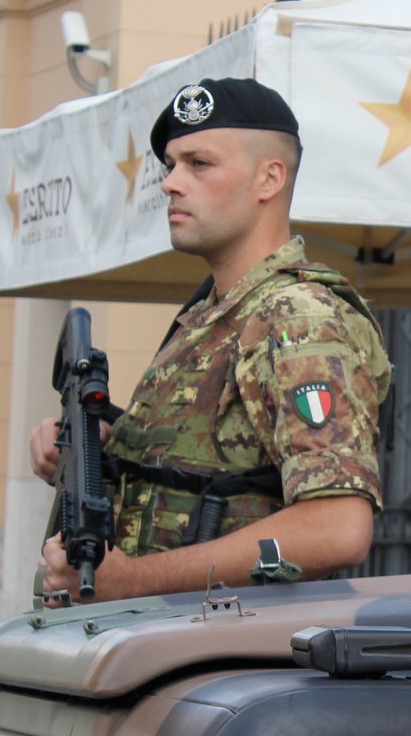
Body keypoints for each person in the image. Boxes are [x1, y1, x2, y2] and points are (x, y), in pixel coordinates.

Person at [29, 77, 392, 603]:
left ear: (269, 179)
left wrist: (132, 582)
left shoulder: (297, 318)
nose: (171, 183)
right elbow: (199, 467)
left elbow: (336, 527)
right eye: (170, 166)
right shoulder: (211, 316)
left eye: (199, 164)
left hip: (232, 664)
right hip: (172, 652)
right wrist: (91, 449)